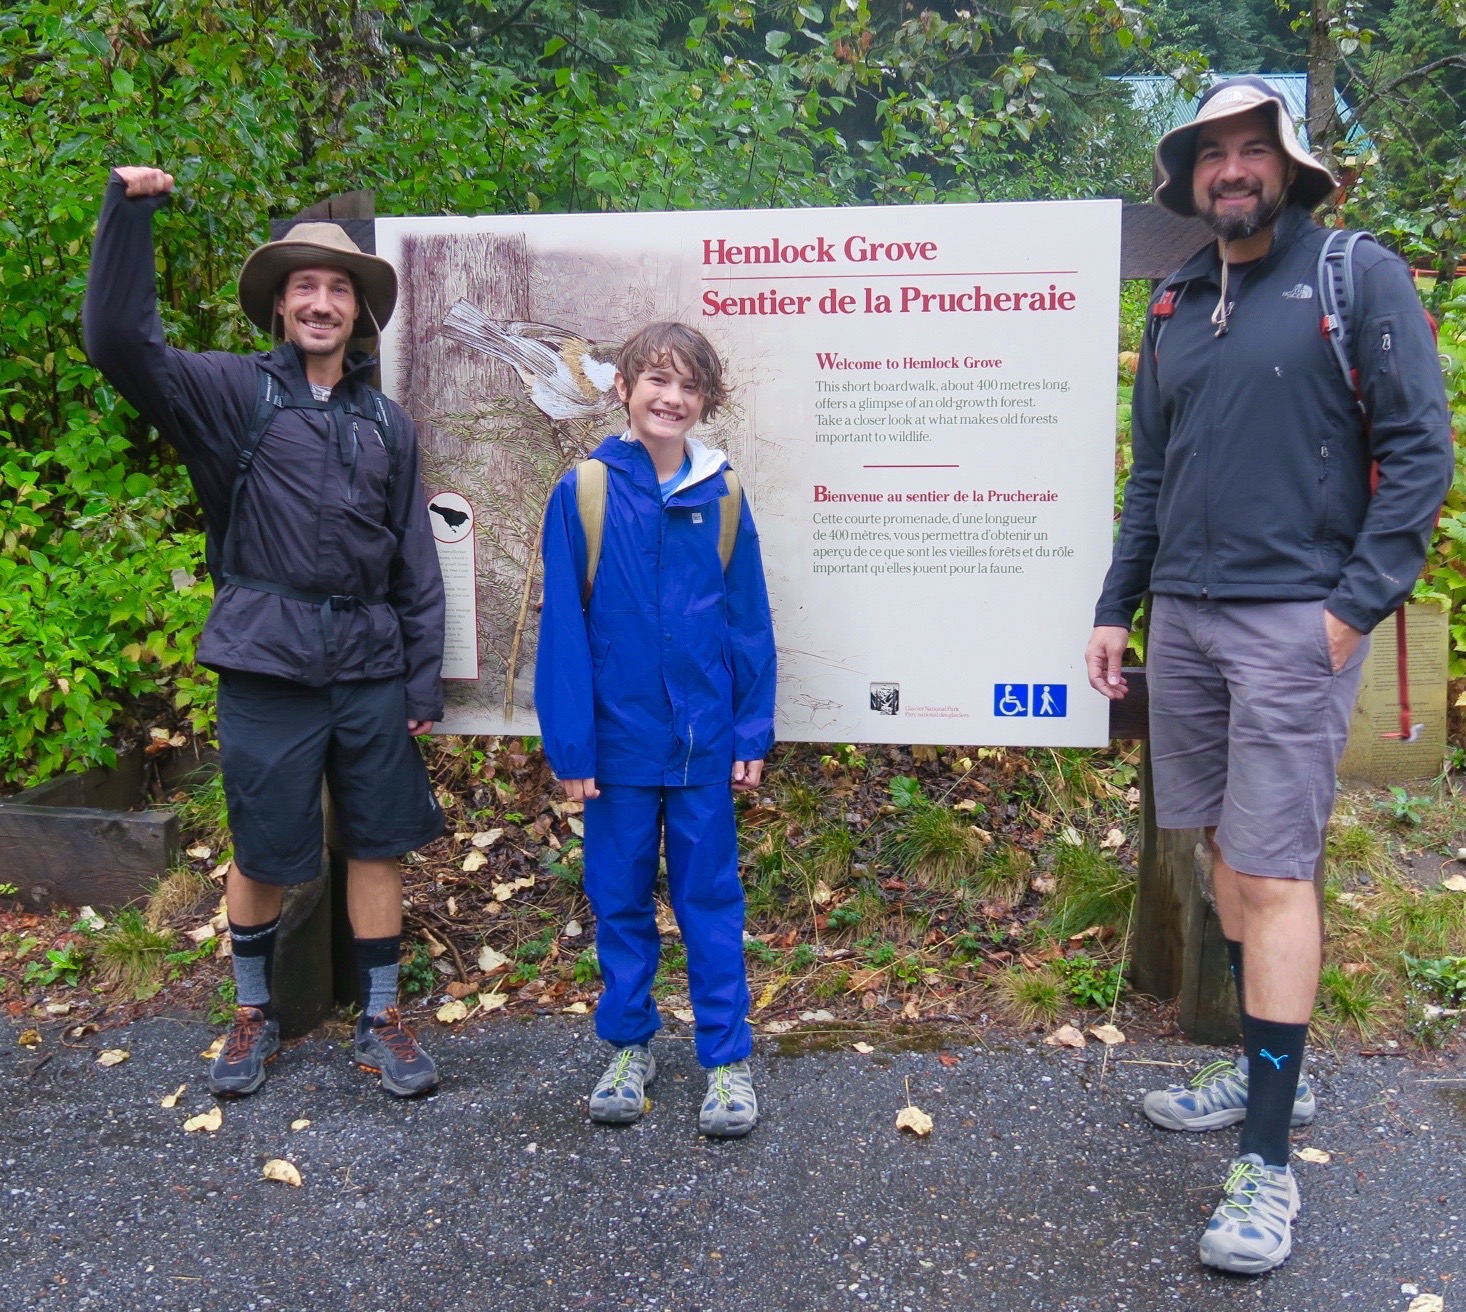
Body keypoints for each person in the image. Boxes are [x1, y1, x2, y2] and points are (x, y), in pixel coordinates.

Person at [1087, 77, 1453, 1273]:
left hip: (1294, 625)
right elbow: (1153, 475)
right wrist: (1114, 608)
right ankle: (1263, 1076)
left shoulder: (1355, 277)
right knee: (1217, 857)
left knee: (1273, 867)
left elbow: (1416, 456)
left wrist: (1349, 615)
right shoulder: (1176, 302)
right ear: (1187, 181)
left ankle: (1264, 1164)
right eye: (1211, 156)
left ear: (1287, 168)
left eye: (1252, 150)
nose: (1229, 171)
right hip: (1184, 623)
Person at [85, 167, 448, 1099]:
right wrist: (129, 218)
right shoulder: (230, 395)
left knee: (376, 842)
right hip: (265, 661)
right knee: (262, 846)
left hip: (368, 666)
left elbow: (415, 560)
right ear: (282, 307)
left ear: (360, 312)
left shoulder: (386, 426)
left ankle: (381, 1018)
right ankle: (251, 1013)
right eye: (305, 288)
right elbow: (120, 341)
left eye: (338, 289)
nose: (322, 303)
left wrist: (418, 681)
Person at [535, 322, 776, 1137]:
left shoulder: (723, 493)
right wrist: (571, 745)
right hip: (618, 747)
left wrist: (750, 733)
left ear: (706, 400)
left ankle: (726, 1060)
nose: (671, 398)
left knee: (711, 900)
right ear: (625, 388)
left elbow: (748, 623)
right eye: (656, 381)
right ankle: (629, 1045)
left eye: (688, 386)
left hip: (704, 744)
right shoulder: (586, 491)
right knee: (620, 898)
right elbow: (564, 626)